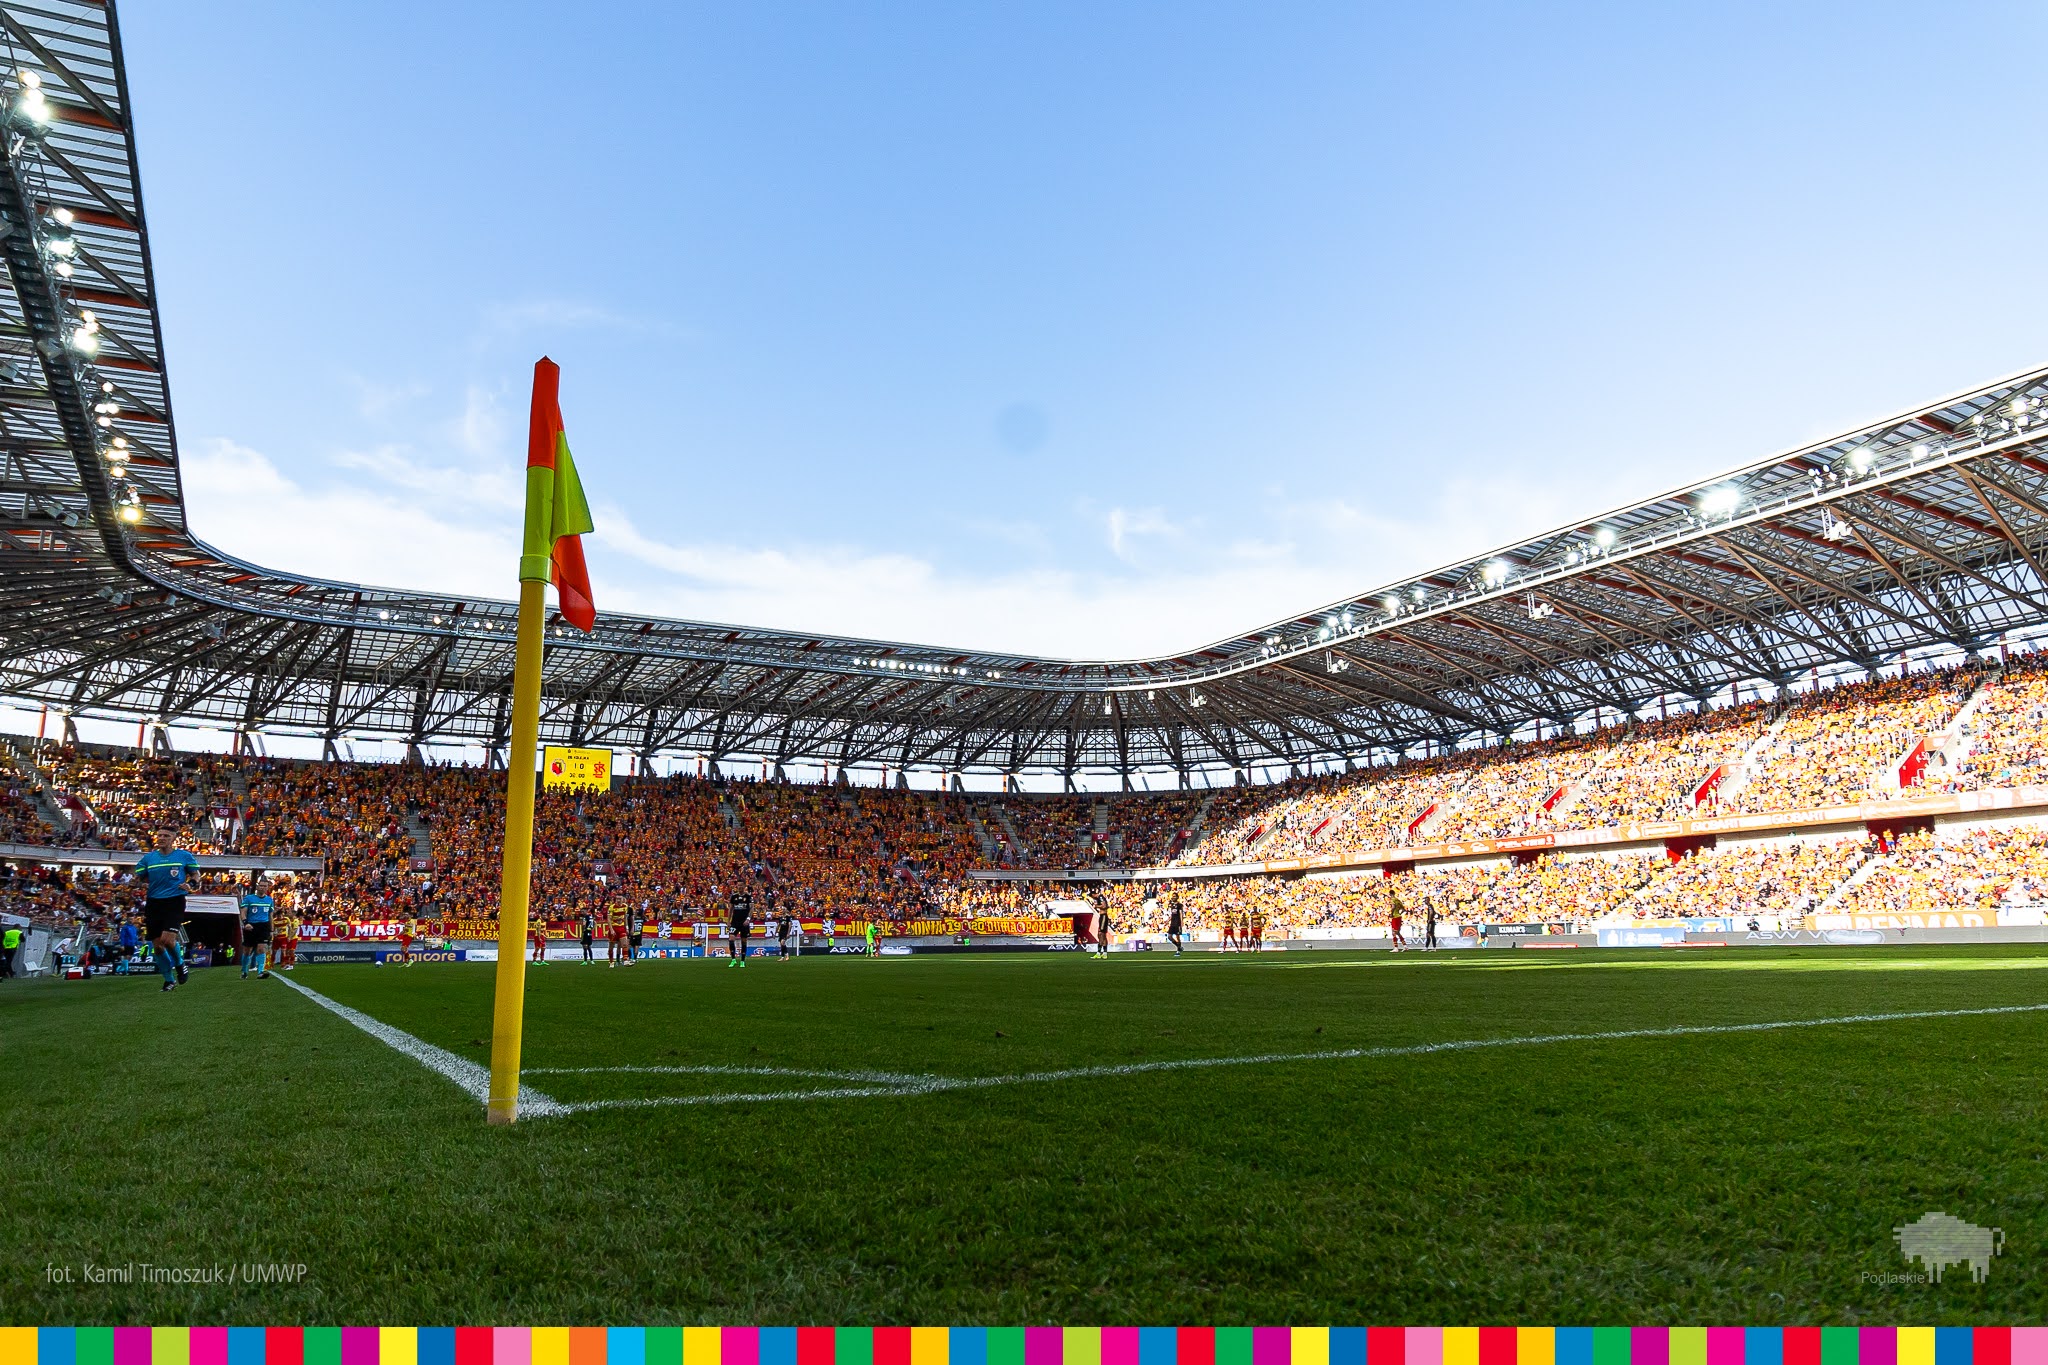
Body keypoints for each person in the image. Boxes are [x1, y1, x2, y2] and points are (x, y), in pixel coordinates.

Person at [131, 831, 198, 992]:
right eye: (159, 835)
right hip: (154, 903)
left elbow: (195, 874)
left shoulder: (183, 856)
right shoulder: (149, 858)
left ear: (174, 839)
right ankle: (169, 981)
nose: (161, 838)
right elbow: (138, 875)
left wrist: (191, 885)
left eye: (166, 836)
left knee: (167, 941)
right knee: (158, 947)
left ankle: (180, 964)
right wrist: (135, 881)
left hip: (174, 901)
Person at [240, 878, 274, 980]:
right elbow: (243, 912)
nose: (263, 888)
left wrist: (271, 930)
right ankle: (244, 970)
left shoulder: (269, 900)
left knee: (261, 948)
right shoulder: (249, 898)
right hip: (251, 926)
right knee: (247, 951)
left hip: (263, 926)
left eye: (265, 886)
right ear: (257, 886)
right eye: (261, 885)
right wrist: (246, 923)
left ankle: (260, 972)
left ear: (268, 887)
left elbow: (271, 916)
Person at [727, 886, 752, 966]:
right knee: (731, 938)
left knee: (744, 941)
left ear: (744, 886)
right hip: (735, 922)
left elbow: (752, 908)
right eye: (738, 886)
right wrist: (728, 921)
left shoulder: (748, 896)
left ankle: (742, 961)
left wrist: (748, 919)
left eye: (741, 885)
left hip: (744, 922)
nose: (740, 887)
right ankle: (733, 959)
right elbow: (730, 908)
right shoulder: (734, 896)